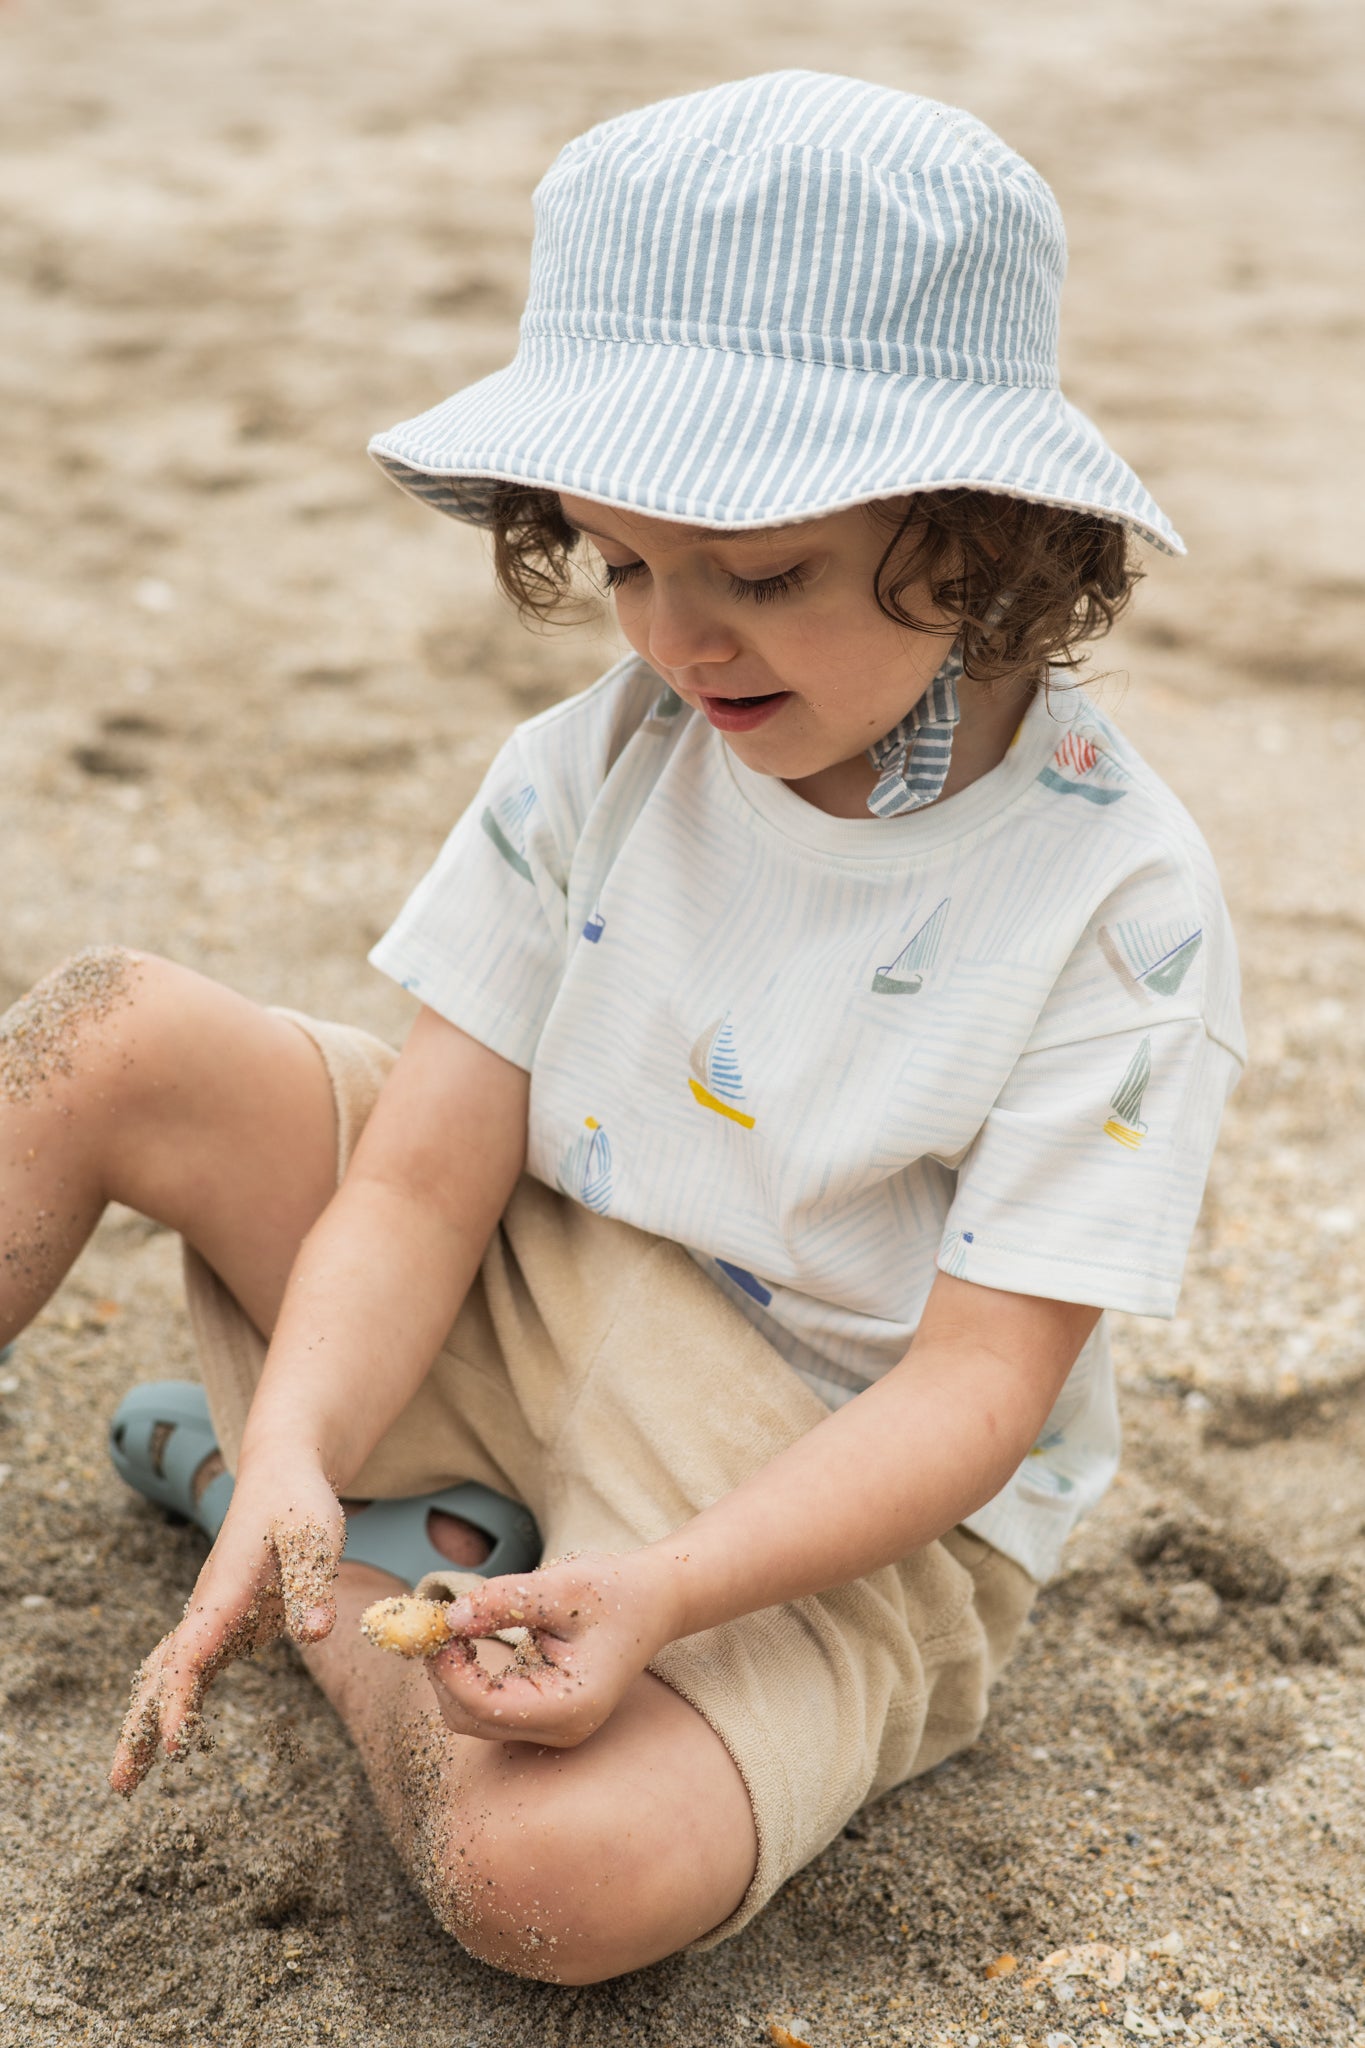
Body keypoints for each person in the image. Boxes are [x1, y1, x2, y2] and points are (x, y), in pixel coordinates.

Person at [0, 72, 1243, 1984]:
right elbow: (422, 1180)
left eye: (761, 576)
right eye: (625, 563)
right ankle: (319, 1493)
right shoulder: (601, 754)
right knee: (106, 1033)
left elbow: (976, 1398)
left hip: (815, 1466)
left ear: (986, 539)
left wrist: (657, 1592)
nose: (680, 643)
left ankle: (357, 1556)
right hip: (522, 1271)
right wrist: (317, 1428)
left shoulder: (1118, 909)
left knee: (552, 1882)